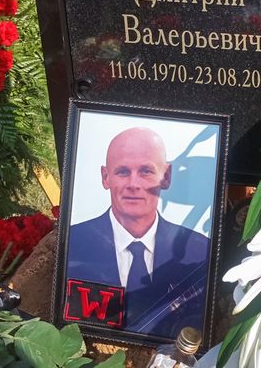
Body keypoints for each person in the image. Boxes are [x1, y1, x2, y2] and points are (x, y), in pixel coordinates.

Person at [67, 127, 210, 337]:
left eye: (146, 171)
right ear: (105, 177)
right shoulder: (72, 244)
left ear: (166, 177)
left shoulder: (199, 252)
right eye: (123, 171)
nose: (133, 184)